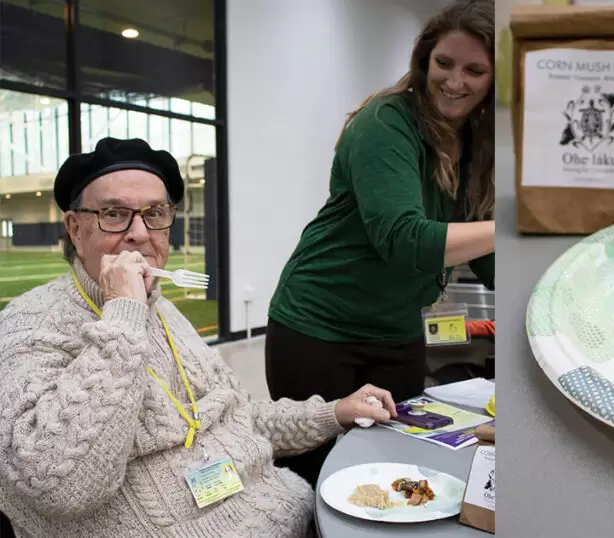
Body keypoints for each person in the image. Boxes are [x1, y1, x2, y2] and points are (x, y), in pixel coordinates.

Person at [0, 138, 398, 538]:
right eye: (114, 213)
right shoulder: (29, 324)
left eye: (155, 213)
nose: (139, 232)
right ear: (75, 228)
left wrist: (332, 413)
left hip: (284, 512)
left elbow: (235, 417)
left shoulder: (165, 310)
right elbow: (58, 485)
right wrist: (123, 315)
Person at [264, 0, 496, 487]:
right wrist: (508, 227)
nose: (455, 81)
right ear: (424, 60)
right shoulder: (386, 122)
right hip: (318, 326)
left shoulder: (478, 140)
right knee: (317, 476)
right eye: (444, 64)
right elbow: (404, 239)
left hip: (395, 330)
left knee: (396, 466)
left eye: (475, 70)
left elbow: (490, 256)